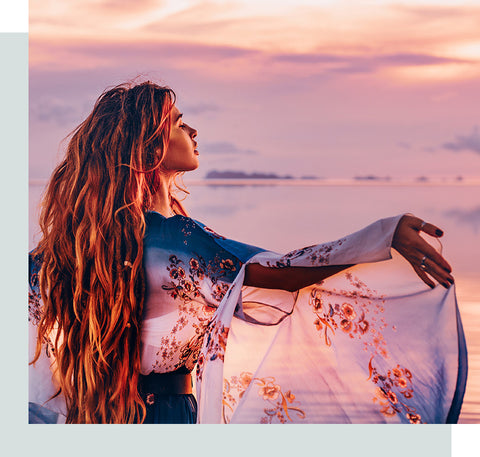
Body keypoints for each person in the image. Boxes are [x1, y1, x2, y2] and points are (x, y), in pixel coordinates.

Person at [28, 81, 466, 424]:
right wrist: (382, 236)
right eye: (179, 123)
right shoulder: (174, 240)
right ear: (151, 145)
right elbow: (283, 271)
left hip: (93, 418)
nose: (193, 130)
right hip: (162, 419)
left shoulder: (71, 247)